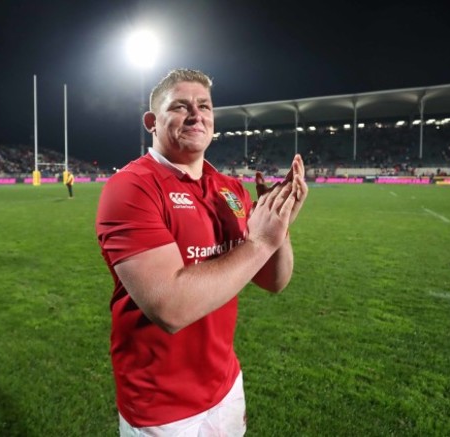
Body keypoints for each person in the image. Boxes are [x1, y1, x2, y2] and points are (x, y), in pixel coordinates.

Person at [95, 69, 308, 435]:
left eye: (204, 106)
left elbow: (274, 281)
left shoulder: (230, 189)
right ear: (152, 122)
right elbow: (170, 307)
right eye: (180, 106)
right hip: (161, 406)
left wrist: (279, 226)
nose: (196, 114)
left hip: (225, 386)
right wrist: (260, 242)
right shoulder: (130, 188)